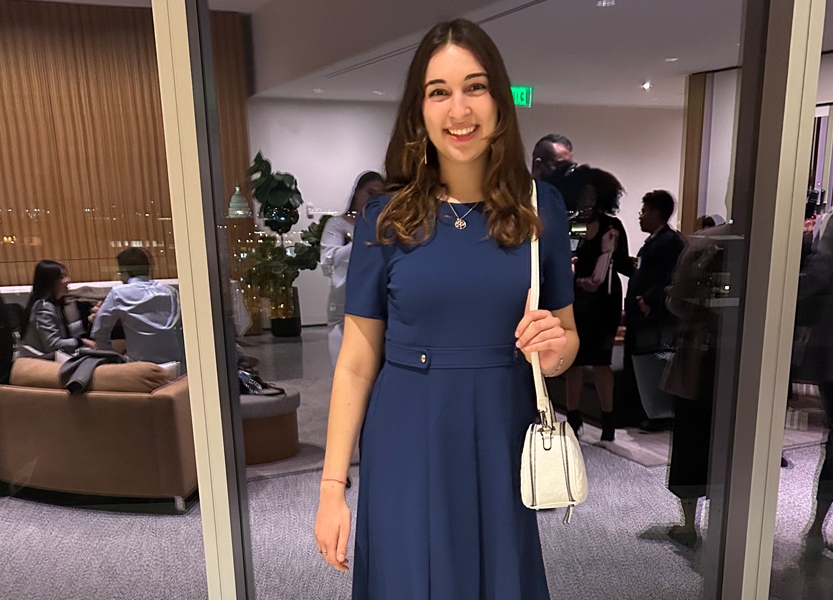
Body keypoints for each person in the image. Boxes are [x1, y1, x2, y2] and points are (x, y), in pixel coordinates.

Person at [313, 19, 579, 599]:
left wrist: (555, 351)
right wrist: (333, 487)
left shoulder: (541, 208)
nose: (459, 109)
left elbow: (565, 341)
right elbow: (357, 362)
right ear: (420, 110)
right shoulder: (386, 216)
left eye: (475, 87)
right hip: (406, 428)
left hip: (500, 428)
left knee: (497, 577)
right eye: (439, 92)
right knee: (410, 578)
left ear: (500, 101)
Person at [563, 166, 633, 442]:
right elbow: (565, 260)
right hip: (576, 301)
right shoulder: (574, 224)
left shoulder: (612, 226)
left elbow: (625, 264)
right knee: (574, 362)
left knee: (602, 362)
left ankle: (608, 421)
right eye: (583, 196)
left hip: (605, 302)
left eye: (592, 195)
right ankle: (573, 418)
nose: (587, 201)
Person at [625, 190, 685, 431]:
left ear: (657, 213)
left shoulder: (670, 242)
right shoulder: (654, 242)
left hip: (655, 316)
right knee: (641, 362)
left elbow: (671, 277)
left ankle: (658, 414)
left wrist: (647, 300)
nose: (641, 216)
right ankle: (644, 410)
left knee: (653, 362)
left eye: (644, 211)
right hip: (642, 314)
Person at [320, 171, 385, 365]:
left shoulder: (383, 228)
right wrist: (364, 242)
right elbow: (328, 259)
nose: (373, 200)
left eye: (379, 196)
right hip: (343, 301)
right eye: (369, 193)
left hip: (373, 298)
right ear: (357, 192)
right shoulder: (337, 225)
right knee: (344, 363)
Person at [91, 248, 184, 366]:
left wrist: (112, 358)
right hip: (176, 363)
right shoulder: (171, 292)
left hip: (141, 366)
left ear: (124, 271)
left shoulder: (118, 293)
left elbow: (99, 332)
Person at [20, 260, 94, 355]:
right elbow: (52, 345)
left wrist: (87, 321)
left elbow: (62, 332)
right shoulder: (43, 308)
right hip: (43, 363)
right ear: (50, 282)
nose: (68, 280)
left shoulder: (53, 304)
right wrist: (82, 341)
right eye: (62, 277)